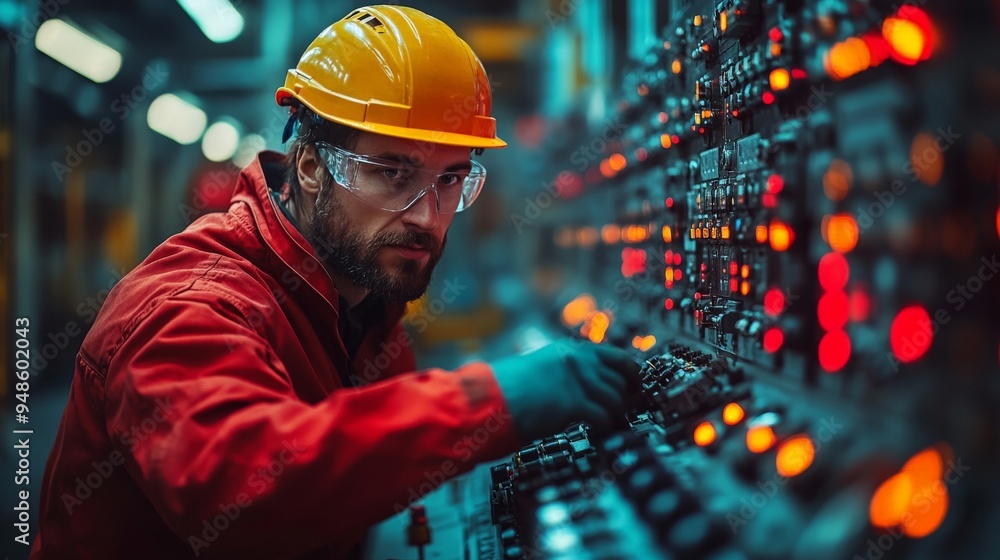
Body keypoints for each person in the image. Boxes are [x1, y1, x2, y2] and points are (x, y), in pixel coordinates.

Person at [31, 5, 640, 559]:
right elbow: (247, 493)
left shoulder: (363, 303)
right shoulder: (190, 305)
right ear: (311, 167)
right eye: (392, 172)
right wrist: (491, 402)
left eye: (452, 179)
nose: (428, 216)